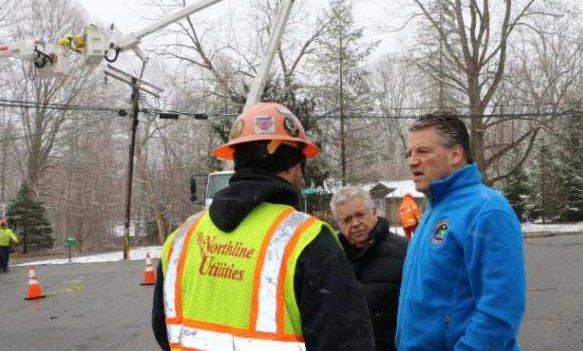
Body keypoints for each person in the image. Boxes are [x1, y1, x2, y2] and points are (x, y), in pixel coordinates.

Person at [152, 102, 374, 351]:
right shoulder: (307, 240)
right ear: (292, 164)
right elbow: (346, 344)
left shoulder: (182, 238)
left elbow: (165, 330)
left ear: (236, 161)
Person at [396, 110, 526, 351]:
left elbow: (501, 309)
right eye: (410, 153)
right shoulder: (433, 209)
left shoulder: (487, 210)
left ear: (455, 154)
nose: (412, 161)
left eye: (423, 151)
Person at [330, 186, 407, 351]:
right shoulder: (331, 258)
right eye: (347, 219)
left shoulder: (405, 252)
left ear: (374, 212)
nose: (355, 223)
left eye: (360, 215)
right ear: (338, 224)